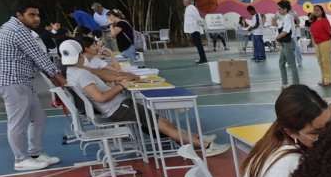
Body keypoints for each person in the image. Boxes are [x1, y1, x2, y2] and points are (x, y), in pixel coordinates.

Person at [61, 38, 227, 156]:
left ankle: (193, 139)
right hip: (117, 108)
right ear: (81, 54)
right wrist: (121, 86)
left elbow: (98, 90)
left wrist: (117, 82)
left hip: (118, 106)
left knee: (162, 121)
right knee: (163, 125)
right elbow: (100, 98)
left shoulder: (72, 73)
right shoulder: (82, 74)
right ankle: (205, 147)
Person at [0, 0, 66, 171]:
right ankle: (20, 159)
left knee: (39, 118)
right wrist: (61, 79)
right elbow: (38, 56)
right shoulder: (17, 30)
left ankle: (35, 154)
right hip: (12, 81)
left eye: (38, 15)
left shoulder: (15, 28)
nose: (37, 19)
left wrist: (55, 76)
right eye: (31, 15)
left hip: (21, 81)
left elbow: (33, 59)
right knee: (17, 123)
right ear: (19, 15)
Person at [307, 5, 331, 86]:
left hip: (325, 42)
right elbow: (312, 33)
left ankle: (329, 80)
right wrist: (312, 42)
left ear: (322, 12)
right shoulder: (313, 22)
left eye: (318, 10)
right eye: (314, 10)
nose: (316, 11)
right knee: (320, 61)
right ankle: (323, 79)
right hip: (317, 43)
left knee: (326, 61)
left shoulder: (324, 21)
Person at [275, 0, 299, 87]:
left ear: (285, 9)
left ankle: (296, 85)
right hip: (284, 43)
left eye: (279, 9)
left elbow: (285, 31)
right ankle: (284, 83)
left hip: (289, 43)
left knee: (292, 64)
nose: (278, 11)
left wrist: (277, 38)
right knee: (281, 63)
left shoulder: (288, 17)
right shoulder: (284, 17)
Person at [183, 0, 207, 65]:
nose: (183, 2)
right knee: (197, 43)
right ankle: (202, 58)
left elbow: (197, 18)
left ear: (188, 2)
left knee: (198, 44)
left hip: (195, 28)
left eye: (184, 1)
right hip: (192, 29)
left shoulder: (192, 8)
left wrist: (201, 25)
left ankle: (203, 59)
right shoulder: (187, 8)